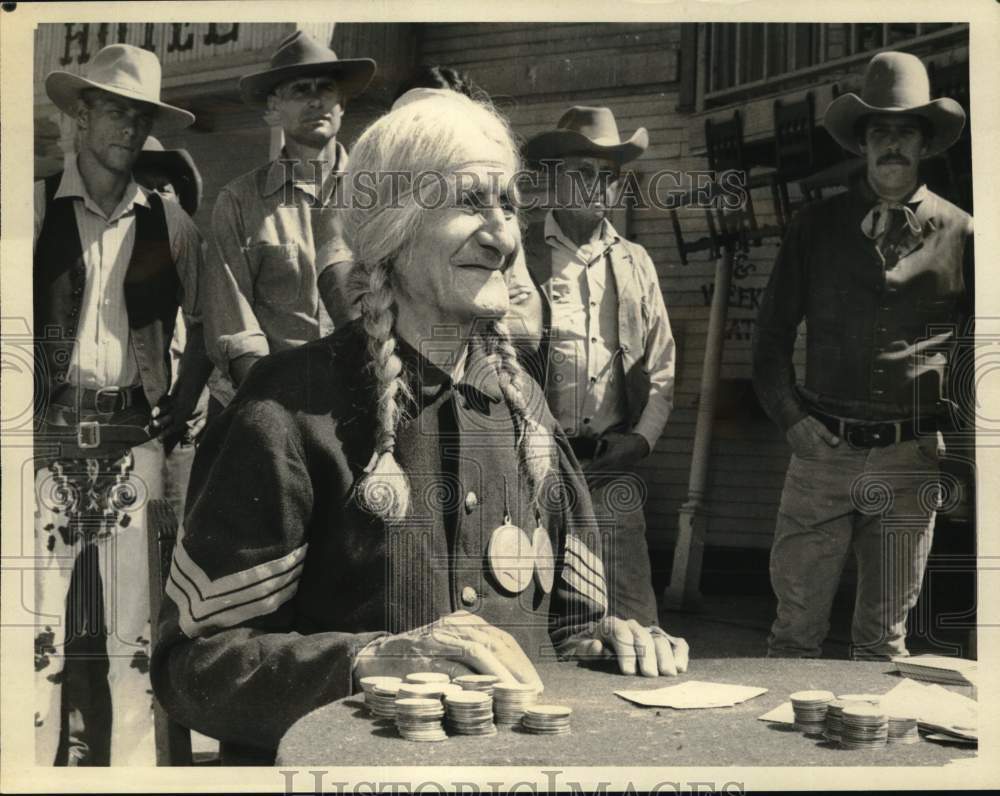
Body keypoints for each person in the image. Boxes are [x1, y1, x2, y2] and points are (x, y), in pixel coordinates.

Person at [151, 91, 689, 764]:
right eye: (469, 203)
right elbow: (193, 668)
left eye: (509, 206)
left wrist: (606, 643)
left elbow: (569, 628)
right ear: (392, 230)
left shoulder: (525, 410)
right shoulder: (285, 412)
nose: (501, 237)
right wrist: (376, 660)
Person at [753, 51, 973, 660]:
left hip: (910, 459)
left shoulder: (966, 235)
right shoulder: (814, 227)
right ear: (863, 144)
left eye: (906, 132)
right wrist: (793, 422)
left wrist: (952, 432)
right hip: (821, 451)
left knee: (884, 645)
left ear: (925, 143)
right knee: (793, 636)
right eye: (880, 132)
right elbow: (768, 342)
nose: (893, 145)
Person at [33, 43, 205, 765]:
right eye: (114, 111)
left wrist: (179, 405)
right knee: (35, 637)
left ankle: (133, 778)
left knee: (133, 640)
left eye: (141, 117)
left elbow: (211, 330)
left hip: (134, 440)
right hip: (46, 442)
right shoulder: (33, 208)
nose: (129, 130)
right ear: (78, 114)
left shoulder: (169, 222)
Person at [513, 107, 676, 627]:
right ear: (552, 178)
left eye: (608, 175)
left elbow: (663, 366)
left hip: (612, 473)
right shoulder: (519, 254)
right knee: (535, 614)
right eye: (583, 172)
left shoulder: (635, 261)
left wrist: (642, 440)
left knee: (635, 620)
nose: (597, 186)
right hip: (532, 472)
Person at [202, 31, 375, 415]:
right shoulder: (240, 201)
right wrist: (274, 415)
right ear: (275, 107)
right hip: (272, 401)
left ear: (342, 104)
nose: (316, 100)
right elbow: (235, 327)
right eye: (300, 90)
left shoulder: (377, 196)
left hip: (367, 400)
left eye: (326, 89)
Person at [133, 137, 214, 524]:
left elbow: (209, 332)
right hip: (136, 427)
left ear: (179, 198)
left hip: (186, 430)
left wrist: (184, 407)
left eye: (162, 189)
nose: (153, 200)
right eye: (141, 188)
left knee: (181, 529)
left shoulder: (198, 259)